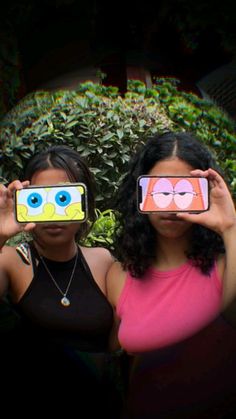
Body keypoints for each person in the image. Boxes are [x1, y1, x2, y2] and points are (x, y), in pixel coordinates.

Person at [107, 131, 236, 418]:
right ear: (139, 194)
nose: (172, 206)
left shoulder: (226, 267)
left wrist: (229, 227)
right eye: (161, 190)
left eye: (185, 192)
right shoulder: (118, 276)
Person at [0, 145, 123, 417]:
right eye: (38, 200)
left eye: (63, 198)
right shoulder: (10, 260)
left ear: (84, 204)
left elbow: (128, 335)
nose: (53, 212)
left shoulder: (103, 262)